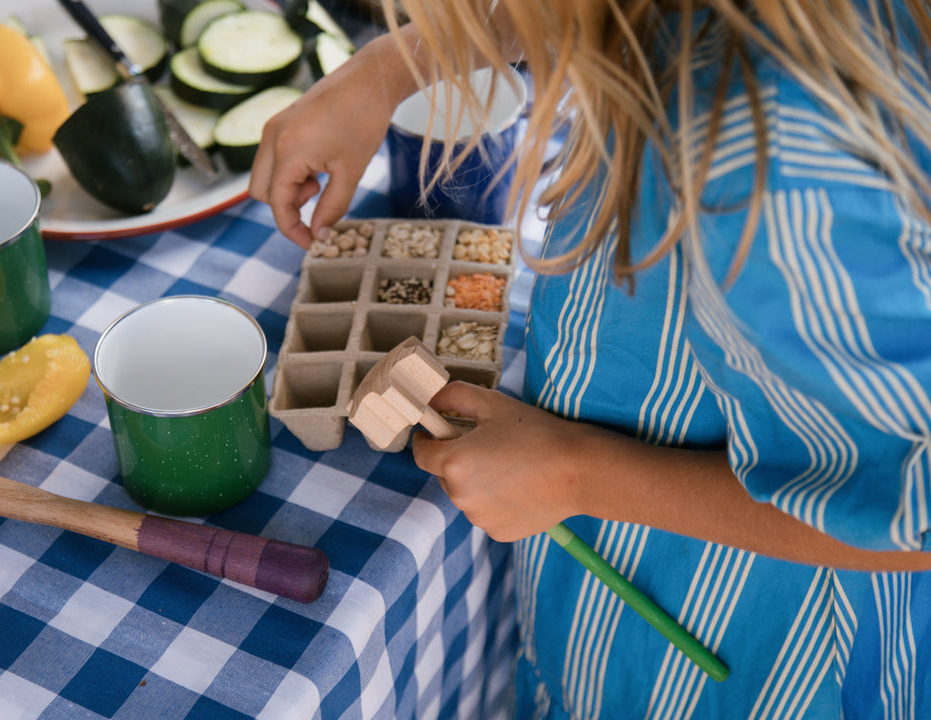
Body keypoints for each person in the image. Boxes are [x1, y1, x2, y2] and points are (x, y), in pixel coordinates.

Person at [250, 0, 931, 717]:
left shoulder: (770, 166)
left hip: (746, 661)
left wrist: (577, 472)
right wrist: (394, 66)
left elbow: (913, 513)